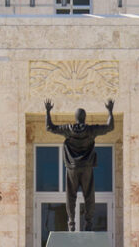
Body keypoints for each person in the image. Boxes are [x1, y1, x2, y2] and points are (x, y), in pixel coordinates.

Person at [44, 97, 115, 232]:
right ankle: (88, 223)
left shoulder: (68, 129)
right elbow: (110, 126)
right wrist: (110, 111)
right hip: (87, 167)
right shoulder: (90, 130)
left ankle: (71, 223)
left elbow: (49, 127)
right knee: (89, 195)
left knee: (71, 196)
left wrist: (48, 111)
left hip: (72, 167)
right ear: (84, 117)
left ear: (76, 118)